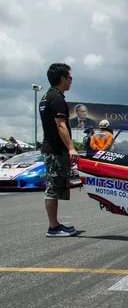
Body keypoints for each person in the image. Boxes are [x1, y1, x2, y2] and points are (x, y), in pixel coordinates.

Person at [39, 63, 78, 237]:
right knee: (53, 188)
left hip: (50, 148)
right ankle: (53, 227)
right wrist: (71, 148)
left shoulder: (47, 96)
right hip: (54, 150)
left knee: (55, 187)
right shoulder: (56, 98)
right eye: (70, 77)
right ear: (62, 78)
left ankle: (55, 224)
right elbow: (61, 125)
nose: (71, 81)